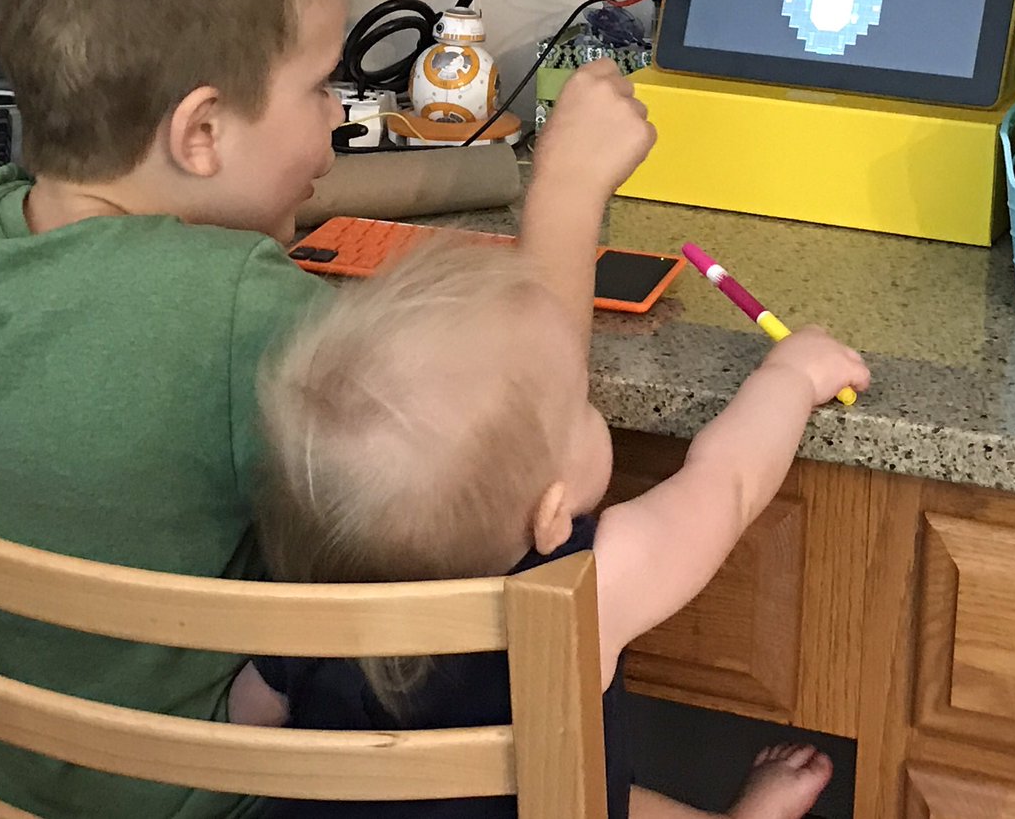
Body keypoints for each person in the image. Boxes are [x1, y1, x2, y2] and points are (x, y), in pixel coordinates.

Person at [0, 0, 657, 818]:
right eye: (322, 88)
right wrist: (565, 194)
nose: (335, 115)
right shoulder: (238, 306)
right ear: (201, 135)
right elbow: (531, 449)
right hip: (214, 803)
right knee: (486, 625)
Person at [232, 236, 870, 819]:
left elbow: (251, 718)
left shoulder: (309, 601)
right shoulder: (584, 590)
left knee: (546, 780)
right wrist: (790, 376)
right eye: (583, 405)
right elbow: (728, 481)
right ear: (551, 514)